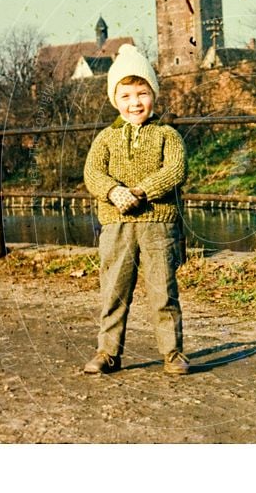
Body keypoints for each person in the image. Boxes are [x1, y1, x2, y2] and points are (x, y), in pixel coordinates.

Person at [82, 44, 189, 375]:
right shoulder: (105, 138)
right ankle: (108, 352)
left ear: (153, 95)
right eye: (126, 96)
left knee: (163, 292)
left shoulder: (166, 135)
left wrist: (143, 191)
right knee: (114, 290)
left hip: (158, 224)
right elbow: (92, 173)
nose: (135, 103)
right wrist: (114, 192)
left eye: (142, 93)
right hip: (116, 224)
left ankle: (172, 353)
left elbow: (175, 169)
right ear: (116, 99)